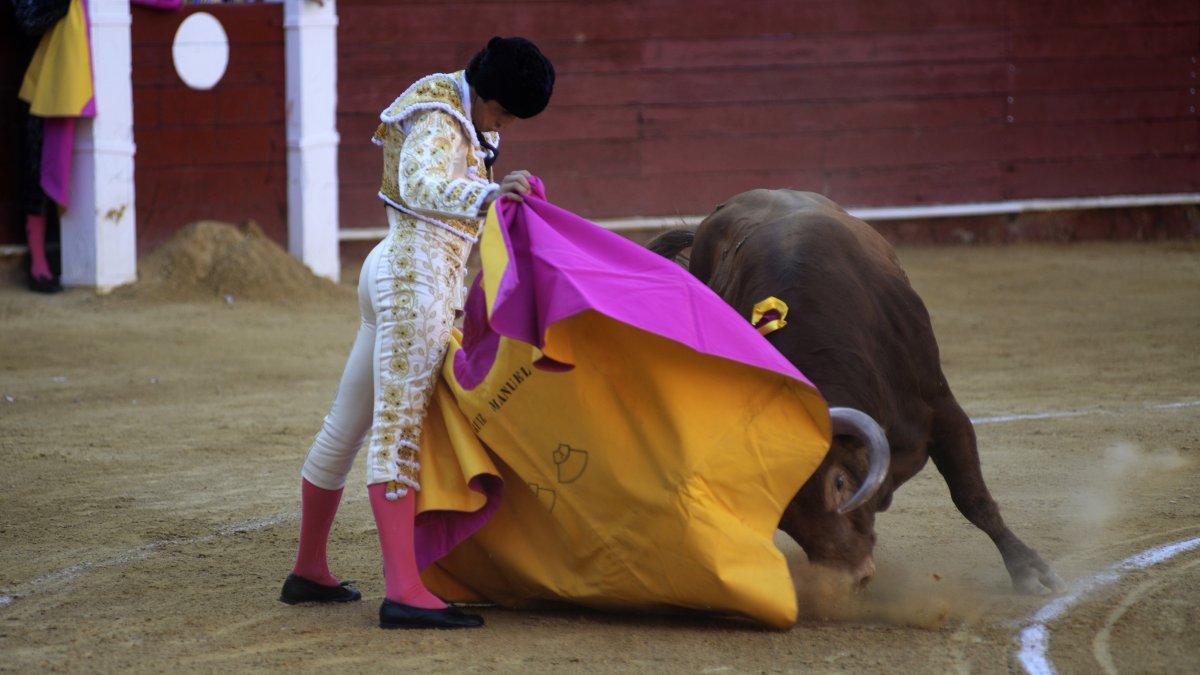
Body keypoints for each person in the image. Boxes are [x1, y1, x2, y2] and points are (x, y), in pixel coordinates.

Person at [279, 36, 555, 630]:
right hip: (416, 278)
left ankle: (308, 570)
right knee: (397, 432)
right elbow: (420, 185)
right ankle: (403, 590)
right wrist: (488, 193)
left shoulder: (459, 108)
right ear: (484, 93)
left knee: (346, 426)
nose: (502, 124)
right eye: (502, 112)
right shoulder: (442, 110)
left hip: (402, 269)